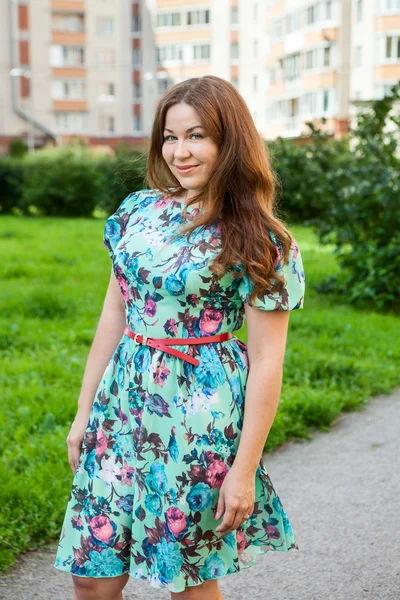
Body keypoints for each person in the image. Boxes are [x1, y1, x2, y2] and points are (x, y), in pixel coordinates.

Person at [54, 75, 305, 600]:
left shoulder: (261, 239)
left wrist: (244, 469)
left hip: (199, 416)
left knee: (187, 582)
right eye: (170, 137)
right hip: (121, 405)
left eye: (196, 136)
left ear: (228, 141)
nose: (179, 152)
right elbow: (115, 312)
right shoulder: (138, 212)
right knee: (91, 575)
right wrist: (84, 413)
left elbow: (267, 362)